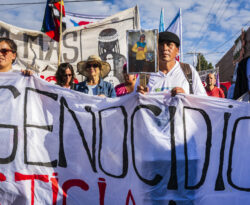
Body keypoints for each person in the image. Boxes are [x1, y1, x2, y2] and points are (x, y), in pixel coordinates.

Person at [137, 31, 206, 96]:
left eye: (169, 44)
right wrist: (139, 96)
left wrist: (186, 97)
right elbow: (134, 101)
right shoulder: (145, 73)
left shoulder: (188, 70)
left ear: (177, 50)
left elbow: (203, 99)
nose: (165, 48)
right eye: (160, 45)